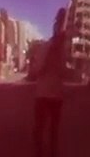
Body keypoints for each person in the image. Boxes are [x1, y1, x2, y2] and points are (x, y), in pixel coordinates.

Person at [33, 9, 69, 157]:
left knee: (54, 130)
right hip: (43, 94)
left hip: (56, 95)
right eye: (59, 24)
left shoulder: (63, 50)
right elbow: (38, 70)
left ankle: (53, 152)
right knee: (40, 128)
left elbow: (63, 73)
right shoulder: (45, 47)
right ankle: (39, 152)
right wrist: (50, 53)